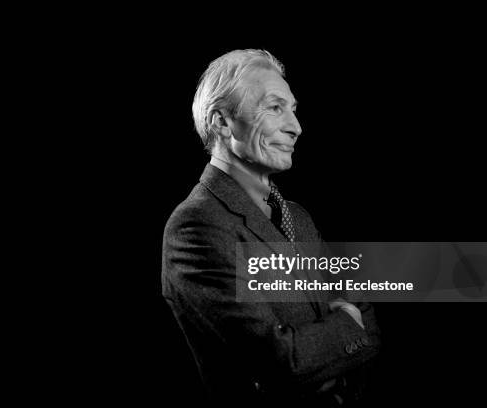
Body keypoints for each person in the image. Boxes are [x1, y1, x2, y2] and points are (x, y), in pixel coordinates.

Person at [161, 49, 380, 406]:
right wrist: (346, 325)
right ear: (223, 122)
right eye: (275, 107)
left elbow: (369, 320)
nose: (296, 127)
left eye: (293, 109)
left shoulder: (297, 217)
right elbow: (278, 362)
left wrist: (339, 332)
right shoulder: (195, 226)